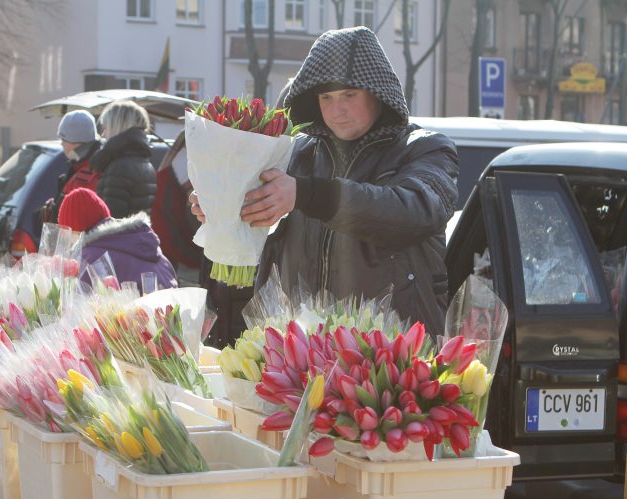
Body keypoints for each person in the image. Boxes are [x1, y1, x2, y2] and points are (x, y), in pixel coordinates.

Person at [192, 27, 458, 335]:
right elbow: (260, 234)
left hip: (391, 357)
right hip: (303, 351)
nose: (337, 110)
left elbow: (414, 212)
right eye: (326, 97)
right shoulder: (294, 153)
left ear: (378, 93)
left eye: (349, 95)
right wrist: (224, 207)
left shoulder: (425, 148)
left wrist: (306, 194)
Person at [58, 187, 177, 290]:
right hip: (172, 312)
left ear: (75, 229)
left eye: (66, 231)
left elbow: (76, 303)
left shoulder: (89, 257)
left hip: (140, 315)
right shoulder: (145, 242)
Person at [90, 100, 157, 219]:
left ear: (117, 127)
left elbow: (110, 220)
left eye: (106, 127)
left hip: (116, 237)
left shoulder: (120, 166)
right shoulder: (143, 161)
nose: (104, 134)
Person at [45, 109, 102, 220]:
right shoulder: (80, 165)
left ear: (76, 142)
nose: (61, 143)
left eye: (64, 139)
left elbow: (75, 222)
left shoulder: (86, 177)